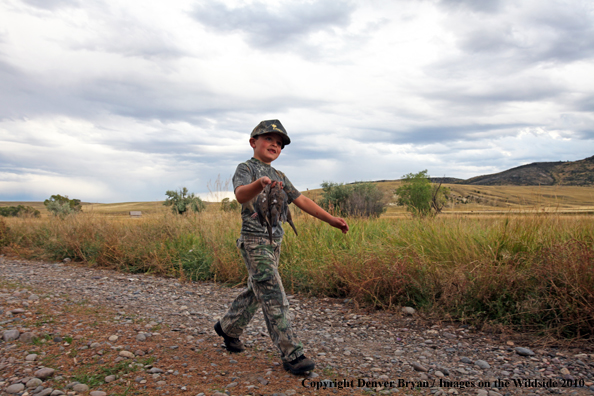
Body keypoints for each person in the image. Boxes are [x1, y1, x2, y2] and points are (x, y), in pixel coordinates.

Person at [214, 119, 349, 375]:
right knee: (274, 293)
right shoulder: (246, 168)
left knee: (258, 289)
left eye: (279, 143)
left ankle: (228, 327)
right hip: (254, 240)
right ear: (253, 142)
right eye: (268, 139)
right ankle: (292, 354)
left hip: (276, 240)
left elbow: (302, 200)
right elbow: (241, 194)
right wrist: (260, 184)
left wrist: (331, 219)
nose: (274, 145)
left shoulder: (280, 176)